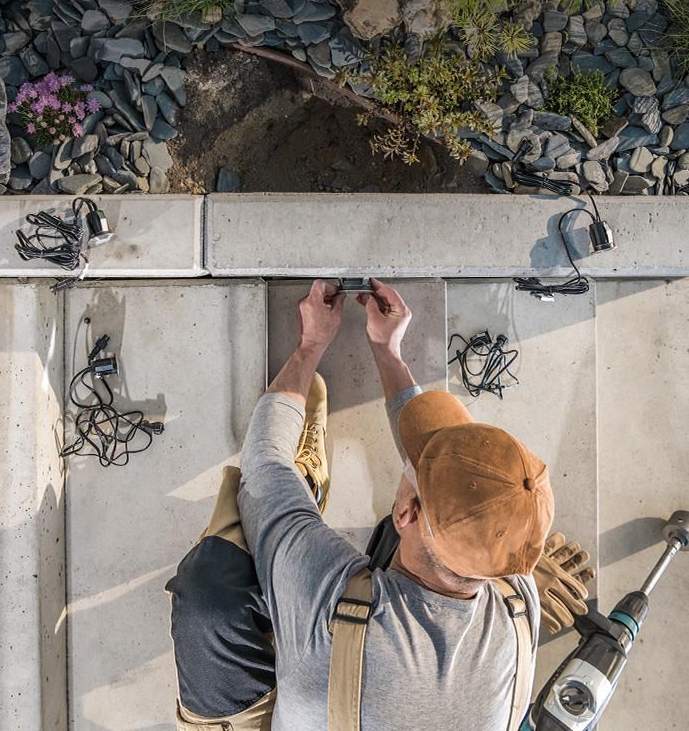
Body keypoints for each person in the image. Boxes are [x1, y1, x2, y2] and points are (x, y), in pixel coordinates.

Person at [167, 279, 592, 730]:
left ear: (408, 509)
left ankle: (305, 484)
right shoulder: (518, 602)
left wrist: (310, 346)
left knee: (208, 592)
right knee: (434, 542)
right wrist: (388, 351)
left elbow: (264, 464)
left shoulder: (325, 600)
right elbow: (454, 506)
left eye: (414, 468)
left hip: (325, 667)